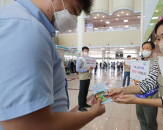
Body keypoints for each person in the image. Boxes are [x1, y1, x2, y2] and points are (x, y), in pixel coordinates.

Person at [0, 0, 105, 130]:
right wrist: (93, 113)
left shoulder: (26, 24)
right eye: (75, 10)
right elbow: (31, 125)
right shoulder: (27, 30)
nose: (74, 19)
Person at [135, 42, 158, 130]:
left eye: (147, 48)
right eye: (143, 48)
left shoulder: (156, 63)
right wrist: (136, 80)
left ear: (153, 50)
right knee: (141, 119)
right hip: (139, 96)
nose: (144, 50)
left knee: (151, 122)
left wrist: (143, 81)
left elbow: (157, 80)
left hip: (150, 97)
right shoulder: (139, 64)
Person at [76, 46, 94, 112]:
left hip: (88, 77)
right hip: (83, 78)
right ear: (82, 51)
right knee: (82, 92)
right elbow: (77, 69)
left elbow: (90, 68)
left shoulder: (88, 59)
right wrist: (86, 69)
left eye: (87, 51)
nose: (86, 52)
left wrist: (91, 68)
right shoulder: (80, 59)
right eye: (85, 51)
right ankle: (80, 107)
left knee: (85, 91)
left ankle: (84, 103)